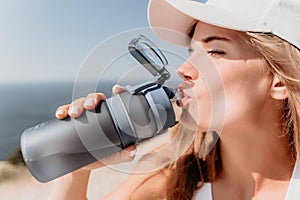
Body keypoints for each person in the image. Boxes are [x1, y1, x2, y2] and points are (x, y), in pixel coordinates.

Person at [50, 0, 300, 199]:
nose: (184, 68)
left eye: (215, 51)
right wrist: (76, 169)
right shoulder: (173, 174)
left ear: (278, 81)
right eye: (192, 52)